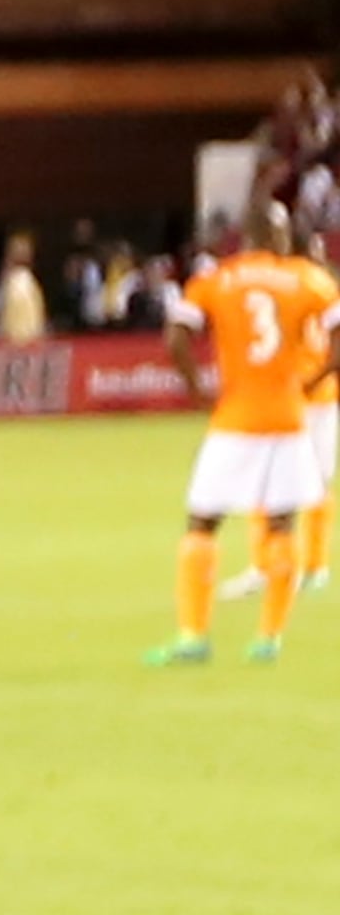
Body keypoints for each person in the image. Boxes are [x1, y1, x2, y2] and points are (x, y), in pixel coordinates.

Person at [148, 202, 335, 665]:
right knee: (280, 525)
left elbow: (176, 335)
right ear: (280, 236)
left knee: (202, 522)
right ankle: (268, 638)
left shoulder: (217, 280)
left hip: (235, 418)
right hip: (290, 418)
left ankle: (194, 637)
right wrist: (314, 379)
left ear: (244, 236)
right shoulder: (308, 280)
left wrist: (197, 390)